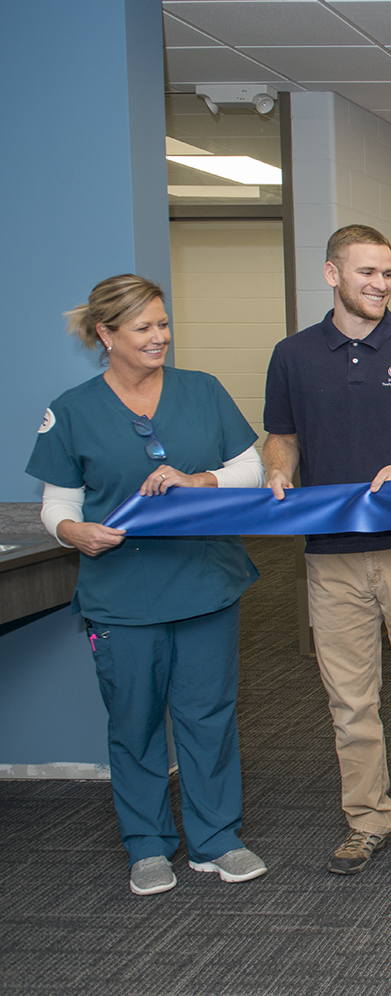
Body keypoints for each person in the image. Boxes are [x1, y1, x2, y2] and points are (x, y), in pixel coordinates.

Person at [27, 274, 267, 896]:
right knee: (133, 721)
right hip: (122, 592)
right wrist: (72, 534)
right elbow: (58, 504)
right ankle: (147, 845)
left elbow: (250, 466)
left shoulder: (202, 391)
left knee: (208, 713)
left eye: (163, 324)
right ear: (106, 335)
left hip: (204, 580)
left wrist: (201, 481)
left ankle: (218, 838)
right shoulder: (74, 409)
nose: (160, 337)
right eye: (143, 329)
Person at [263, 225, 391, 874]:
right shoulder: (293, 355)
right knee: (350, 700)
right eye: (366, 273)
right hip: (331, 557)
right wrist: (277, 470)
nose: (380, 285)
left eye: (387, 274)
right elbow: (281, 436)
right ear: (331, 275)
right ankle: (366, 819)